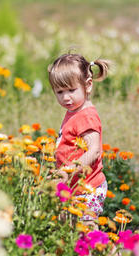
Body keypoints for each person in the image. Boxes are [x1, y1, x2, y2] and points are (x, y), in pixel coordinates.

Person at [48, 53, 110, 221]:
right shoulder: (74, 111)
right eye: (60, 92)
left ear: (88, 85)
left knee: (87, 226)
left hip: (88, 188)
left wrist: (68, 171)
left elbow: (94, 150)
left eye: (71, 90)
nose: (65, 97)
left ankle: (106, 248)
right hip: (76, 186)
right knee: (69, 225)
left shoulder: (86, 116)